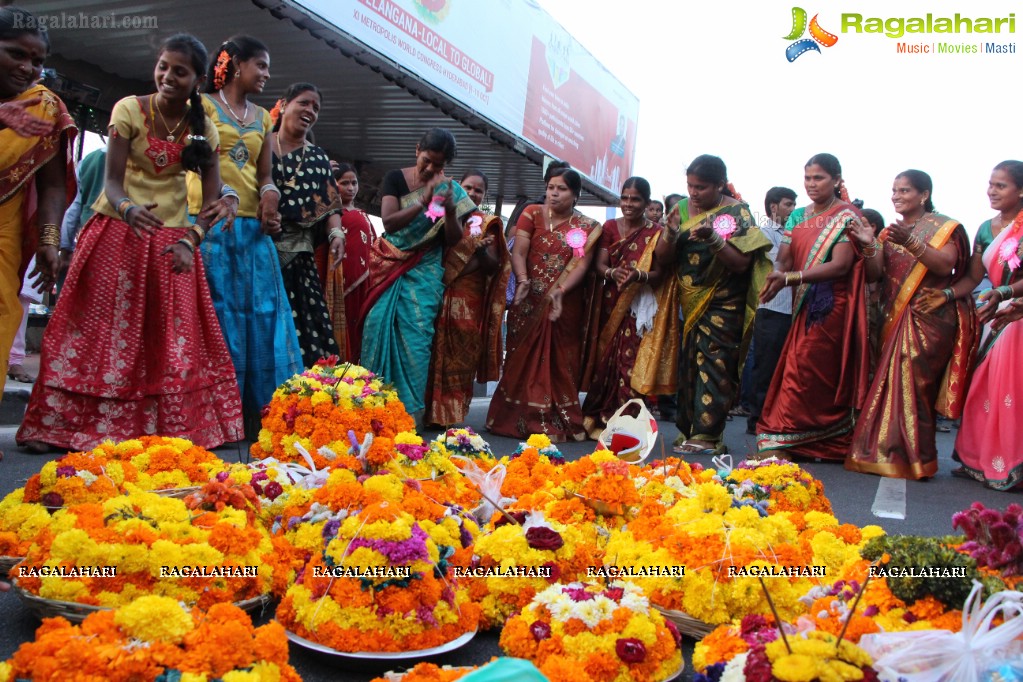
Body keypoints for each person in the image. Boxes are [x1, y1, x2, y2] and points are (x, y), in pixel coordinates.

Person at [18, 33, 243, 452]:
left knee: (168, 339)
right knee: (93, 329)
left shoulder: (203, 127)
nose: (168, 77)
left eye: (180, 71)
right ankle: (57, 427)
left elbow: (210, 201)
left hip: (170, 242)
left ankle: (164, 430)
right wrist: (128, 211)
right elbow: (112, 183)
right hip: (114, 231)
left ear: (196, 80)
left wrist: (190, 242)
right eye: (163, 66)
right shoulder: (129, 110)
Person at [191, 36, 302, 435]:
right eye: (262, 65)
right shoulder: (200, 107)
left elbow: (265, 175)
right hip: (210, 222)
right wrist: (226, 195)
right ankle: (210, 415)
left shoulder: (262, 118)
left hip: (253, 234)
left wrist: (270, 197)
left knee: (261, 317)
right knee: (218, 318)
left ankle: (256, 417)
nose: (267, 74)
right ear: (237, 65)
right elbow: (195, 163)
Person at [846, 171, 976, 479]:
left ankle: (917, 459)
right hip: (892, 314)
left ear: (924, 194)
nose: (896, 196)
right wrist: (868, 246)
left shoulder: (945, 227)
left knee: (915, 387)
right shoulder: (890, 232)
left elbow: (946, 265)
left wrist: (913, 242)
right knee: (890, 384)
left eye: (904, 190)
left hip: (928, 316)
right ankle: (882, 453)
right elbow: (876, 273)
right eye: (893, 190)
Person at [0, 6, 77, 460]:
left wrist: (49, 242)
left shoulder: (44, 105)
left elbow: (51, 181)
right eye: (16, 55)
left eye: (37, 60)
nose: (28, 68)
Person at [757, 153, 869, 461]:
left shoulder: (846, 215)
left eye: (818, 178)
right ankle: (808, 440)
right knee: (803, 367)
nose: (811, 184)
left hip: (831, 303)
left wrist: (791, 277)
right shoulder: (799, 215)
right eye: (807, 178)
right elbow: (785, 254)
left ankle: (789, 436)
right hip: (802, 299)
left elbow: (841, 265)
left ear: (836, 180)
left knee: (808, 367)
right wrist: (778, 271)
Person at [361, 128, 475, 418]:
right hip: (389, 264)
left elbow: (452, 239)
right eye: (427, 160)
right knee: (376, 327)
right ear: (417, 151)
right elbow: (389, 222)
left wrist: (449, 211)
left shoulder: (451, 190)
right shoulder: (395, 178)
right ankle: (371, 409)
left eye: (439, 165)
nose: (430, 169)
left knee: (416, 339)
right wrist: (423, 202)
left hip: (424, 272)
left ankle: (407, 416)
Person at [486, 167, 601, 441]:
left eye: (561, 189)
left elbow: (581, 264)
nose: (553, 193)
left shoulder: (587, 227)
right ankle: (511, 417)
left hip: (564, 303)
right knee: (520, 357)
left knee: (560, 360)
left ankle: (556, 418)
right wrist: (523, 279)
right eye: (551, 187)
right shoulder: (532, 213)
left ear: (575, 195)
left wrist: (560, 291)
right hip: (528, 299)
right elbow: (520, 250)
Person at [946, 160, 1023, 489]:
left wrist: (1004, 293)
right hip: (991, 312)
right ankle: (975, 459)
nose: (992, 191)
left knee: (1009, 390)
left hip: (1016, 314)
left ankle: (1008, 464)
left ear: (1020, 191)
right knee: (980, 386)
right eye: (990, 184)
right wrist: (946, 295)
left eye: (1001, 185)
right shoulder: (985, 229)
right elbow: (974, 277)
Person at [581, 176, 673, 438]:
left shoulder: (655, 232)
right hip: (610, 302)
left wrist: (638, 276)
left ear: (646, 202)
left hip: (637, 306)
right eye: (624, 198)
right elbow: (599, 265)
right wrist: (613, 273)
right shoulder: (610, 226)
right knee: (605, 360)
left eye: (635, 199)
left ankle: (628, 423)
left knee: (629, 362)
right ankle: (598, 418)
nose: (628, 204)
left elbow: (660, 274)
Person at [424, 169, 510, 427]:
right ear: (459, 188)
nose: (473, 193)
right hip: (436, 293)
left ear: (485, 195)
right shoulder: (439, 216)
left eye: (478, 190)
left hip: (467, 303)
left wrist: (482, 252)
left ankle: (451, 415)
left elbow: (494, 265)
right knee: (429, 352)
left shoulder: (486, 223)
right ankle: (426, 412)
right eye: (468, 188)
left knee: (461, 355)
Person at [269, 82, 344, 367]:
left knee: (309, 339)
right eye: (304, 103)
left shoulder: (317, 157)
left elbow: (330, 203)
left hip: (298, 258)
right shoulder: (259, 142)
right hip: (257, 248)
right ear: (284, 104)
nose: (310, 110)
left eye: (316, 108)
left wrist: (336, 232)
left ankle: (303, 406)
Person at [744, 186, 797, 435]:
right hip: (772, 307)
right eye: (788, 204)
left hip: (794, 309)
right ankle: (757, 420)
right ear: (773, 207)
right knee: (766, 366)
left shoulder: (796, 233)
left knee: (790, 368)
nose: (793, 209)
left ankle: (779, 418)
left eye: (794, 204)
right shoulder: (762, 234)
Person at [319, 161, 375, 361]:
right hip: (338, 286)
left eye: (354, 183)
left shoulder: (363, 215)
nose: (351, 188)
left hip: (364, 286)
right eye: (344, 183)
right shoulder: (328, 214)